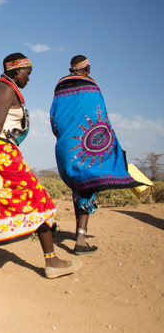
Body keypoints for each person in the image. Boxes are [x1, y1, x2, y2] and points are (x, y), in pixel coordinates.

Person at [0, 53, 82, 280]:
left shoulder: (3, 89)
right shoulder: (6, 90)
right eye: (27, 73)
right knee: (38, 197)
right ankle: (52, 261)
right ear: (16, 71)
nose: (29, 78)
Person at [50, 55, 141, 255]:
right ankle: (80, 240)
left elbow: (55, 118)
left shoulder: (60, 88)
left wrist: (65, 137)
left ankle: (73, 232)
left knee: (78, 188)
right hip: (87, 145)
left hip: (65, 146)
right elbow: (100, 119)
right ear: (87, 69)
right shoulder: (92, 87)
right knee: (87, 187)